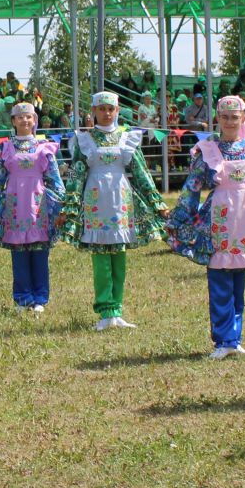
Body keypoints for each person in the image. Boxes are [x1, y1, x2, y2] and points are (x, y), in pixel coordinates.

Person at [165, 95, 245, 358]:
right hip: (218, 217)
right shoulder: (209, 150)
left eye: (234, 117)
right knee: (219, 277)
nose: (229, 121)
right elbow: (193, 186)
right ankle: (223, 339)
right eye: (224, 117)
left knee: (239, 279)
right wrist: (181, 216)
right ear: (217, 118)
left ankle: (234, 338)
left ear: (242, 118)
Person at [57, 91, 166, 330]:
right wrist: (69, 206)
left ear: (117, 111)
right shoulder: (84, 140)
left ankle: (117, 309)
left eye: (111, 109)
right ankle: (105, 310)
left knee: (119, 256)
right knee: (101, 258)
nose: (106, 114)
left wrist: (156, 202)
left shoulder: (127, 139)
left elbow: (141, 174)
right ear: (94, 112)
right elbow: (76, 174)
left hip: (121, 202)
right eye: (102, 109)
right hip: (95, 201)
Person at [0, 101, 65, 312]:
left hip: (38, 205)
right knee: (19, 253)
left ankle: (40, 299)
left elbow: (55, 180)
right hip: (15, 206)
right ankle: (23, 299)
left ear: (35, 120)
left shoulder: (45, 148)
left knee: (40, 252)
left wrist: (61, 205)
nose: (25, 120)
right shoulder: (5, 148)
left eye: (29, 116)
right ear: (13, 121)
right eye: (20, 117)